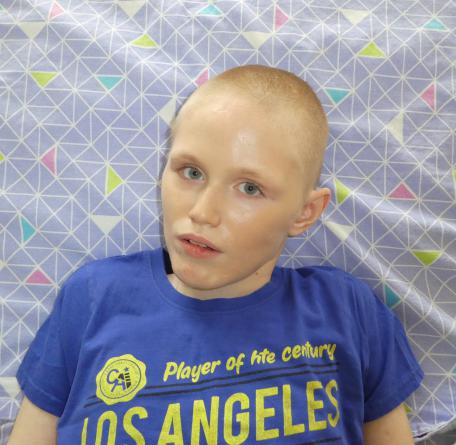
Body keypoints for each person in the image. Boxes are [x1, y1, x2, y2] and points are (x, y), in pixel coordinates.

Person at [8, 64, 423, 445]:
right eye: (191, 172)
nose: (203, 212)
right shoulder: (93, 297)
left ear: (305, 212)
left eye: (249, 188)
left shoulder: (346, 309)